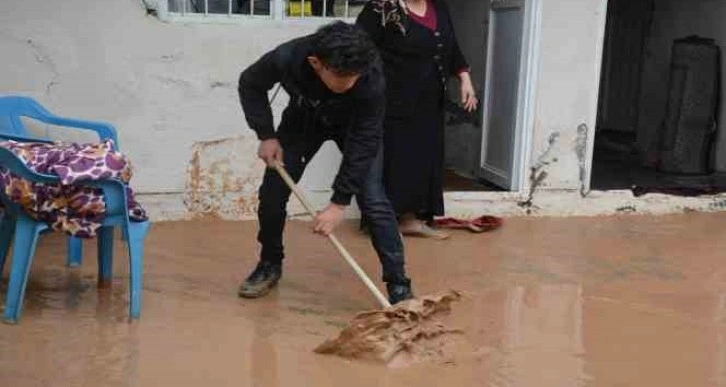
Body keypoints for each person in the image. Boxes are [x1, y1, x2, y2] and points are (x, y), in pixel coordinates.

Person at [236, 21, 414, 304]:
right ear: (316, 63)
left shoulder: (370, 75)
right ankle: (269, 263)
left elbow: (365, 140)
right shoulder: (287, 58)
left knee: (374, 199)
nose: (350, 83)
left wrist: (339, 203)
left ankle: (398, 284)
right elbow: (250, 83)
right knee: (272, 193)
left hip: (356, 128)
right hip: (304, 121)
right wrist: (266, 135)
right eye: (342, 78)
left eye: (355, 77)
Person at [356, 0, 478, 239]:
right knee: (396, 156)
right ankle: (384, 221)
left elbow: (451, 46)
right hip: (392, 98)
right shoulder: (381, 7)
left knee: (424, 156)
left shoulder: (439, 7)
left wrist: (465, 78)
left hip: (430, 98)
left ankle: (411, 218)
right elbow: (359, 49)